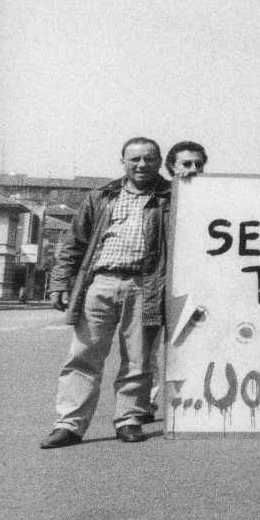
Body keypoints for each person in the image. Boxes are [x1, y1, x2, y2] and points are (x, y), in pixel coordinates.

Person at [41, 138, 174, 448]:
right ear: (123, 161)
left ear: (159, 161)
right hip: (99, 282)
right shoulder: (102, 196)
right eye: (135, 159)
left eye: (149, 159)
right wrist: (60, 282)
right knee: (83, 354)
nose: (142, 164)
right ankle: (70, 424)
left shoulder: (172, 197)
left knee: (139, 358)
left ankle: (129, 419)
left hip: (146, 284)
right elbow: (74, 242)